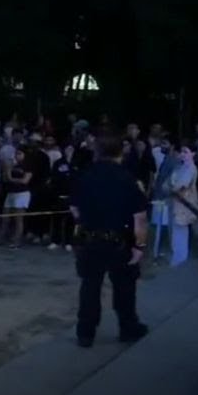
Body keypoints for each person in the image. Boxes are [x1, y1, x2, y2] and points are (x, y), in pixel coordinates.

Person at [69, 133, 150, 348]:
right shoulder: (128, 179)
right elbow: (140, 218)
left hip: (90, 238)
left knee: (90, 286)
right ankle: (128, 327)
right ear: (120, 152)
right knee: (124, 287)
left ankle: (85, 332)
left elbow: (74, 208)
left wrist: (87, 220)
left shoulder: (85, 176)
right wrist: (140, 245)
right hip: (120, 239)